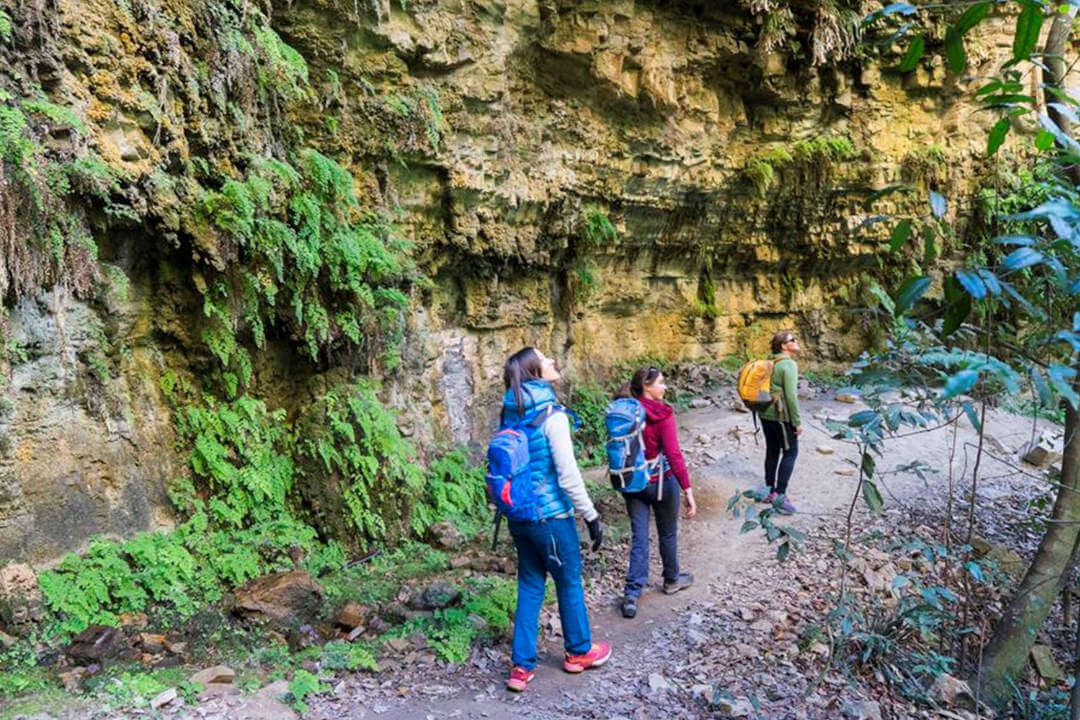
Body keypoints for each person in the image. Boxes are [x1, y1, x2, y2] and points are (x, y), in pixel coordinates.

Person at [500, 347, 611, 693]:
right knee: (568, 580)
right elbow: (568, 475)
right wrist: (590, 515)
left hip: (519, 516)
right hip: (551, 517)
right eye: (545, 358)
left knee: (531, 584)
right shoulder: (552, 415)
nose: (551, 360)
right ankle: (579, 651)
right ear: (535, 371)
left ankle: (521, 667)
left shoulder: (510, 411)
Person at [617, 366, 697, 620]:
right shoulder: (662, 414)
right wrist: (688, 490)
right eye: (661, 383)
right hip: (661, 481)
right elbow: (673, 454)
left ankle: (631, 593)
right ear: (647, 387)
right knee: (667, 532)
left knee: (639, 537)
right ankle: (671, 579)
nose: (665, 387)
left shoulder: (625, 411)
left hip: (633, 482)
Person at [756, 330, 802, 515]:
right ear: (784, 346)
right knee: (791, 452)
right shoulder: (788, 365)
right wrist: (796, 422)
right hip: (780, 416)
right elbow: (791, 396)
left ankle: (769, 490)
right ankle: (780, 495)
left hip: (765, 413)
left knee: (772, 450)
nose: (797, 341)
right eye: (793, 339)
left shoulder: (770, 362)